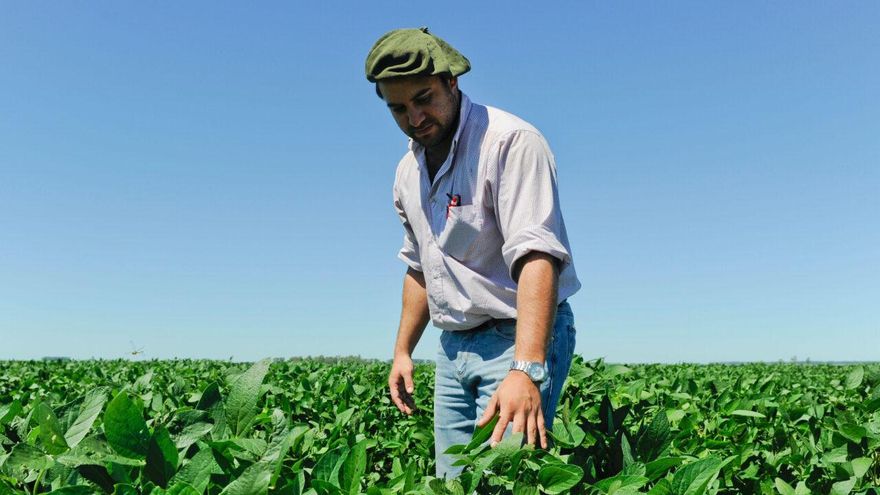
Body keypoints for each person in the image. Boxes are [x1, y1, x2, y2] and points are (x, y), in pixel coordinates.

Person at [365, 27, 581, 479]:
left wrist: (526, 369)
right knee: (453, 482)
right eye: (398, 108)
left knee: (505, 482)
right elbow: (422, 265)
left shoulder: (510, 143)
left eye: (424, 97)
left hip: (514, 339)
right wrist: (402, 350)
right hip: (452, 347)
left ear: (452, 82)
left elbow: (538, 256)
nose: (415, 116)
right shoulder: (408, 172)